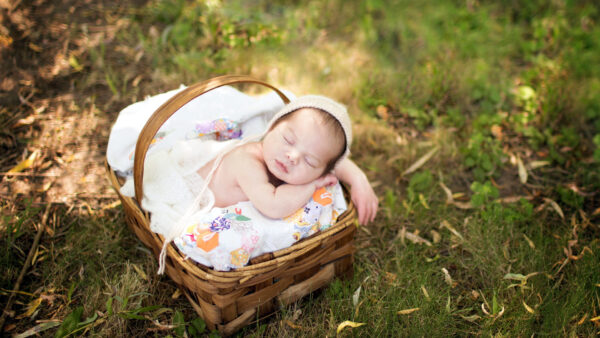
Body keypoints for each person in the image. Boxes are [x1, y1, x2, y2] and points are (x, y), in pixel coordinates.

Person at [196, 95, 378, 225]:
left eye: (309, 161)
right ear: (271, 127)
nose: (293, 157)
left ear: (322, 171)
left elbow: (333, 162)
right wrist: (312, 186)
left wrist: (358, 180)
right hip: (194, 195)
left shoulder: (285, 157)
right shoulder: (247, 160)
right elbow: (273, 206)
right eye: (288, 140)